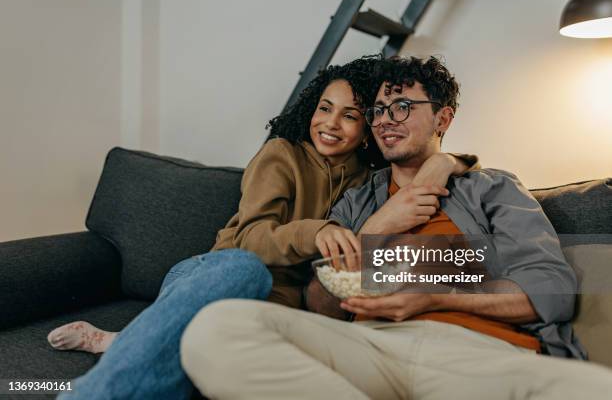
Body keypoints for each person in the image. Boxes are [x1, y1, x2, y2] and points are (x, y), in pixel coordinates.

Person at [180, 56, 612, 400]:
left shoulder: (491, 188)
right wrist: (375, 230)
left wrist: (431, 294)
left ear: (443, 119)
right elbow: (319, 302)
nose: (385, 119)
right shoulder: (355, 200)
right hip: (369, 349)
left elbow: (551, 291)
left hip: (478, 353)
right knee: (217, 328)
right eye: (378, 110)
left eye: (403, 106)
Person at [55, 55, 476, 399]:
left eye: (350, 116)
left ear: (368, 127)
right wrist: (316, 232)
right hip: (217, 276)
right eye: (324, 109)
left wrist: (447, 161)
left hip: (276, 308)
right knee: (247, 271)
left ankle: (124, 348)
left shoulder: (369, 180)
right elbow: (250, 240)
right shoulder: (282, 155)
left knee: (218, 364)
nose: (331, 123)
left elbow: (436, 158)